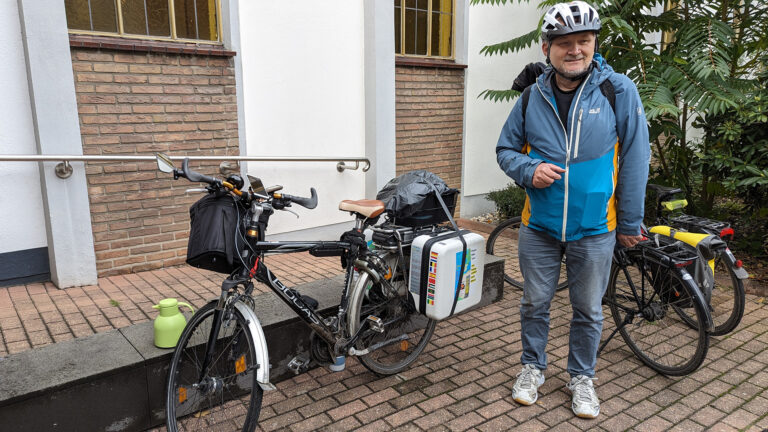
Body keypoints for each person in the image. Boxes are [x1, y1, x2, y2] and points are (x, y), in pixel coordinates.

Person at [495, 1, 650, 419]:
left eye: (584, 41)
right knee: (534, 303)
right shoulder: (531, 96)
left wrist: (630, 222)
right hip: (539, 227)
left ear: (594, 43)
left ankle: (582, 377)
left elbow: (636, 158)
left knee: (588, 309)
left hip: (596, 228)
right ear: (547, 48)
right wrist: (529, 169)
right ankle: (532, 367)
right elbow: (505, 149)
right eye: (564, 43)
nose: (575, 50)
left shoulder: (616, 90)